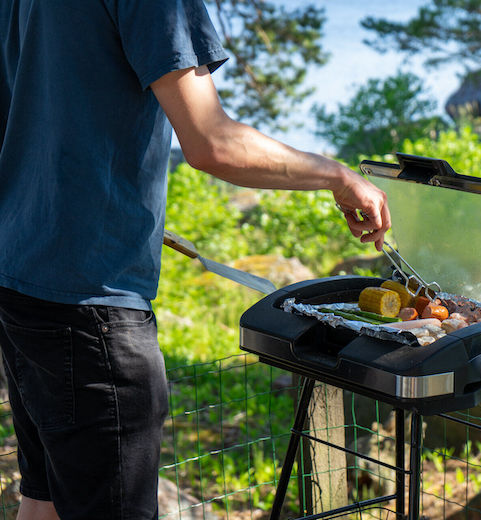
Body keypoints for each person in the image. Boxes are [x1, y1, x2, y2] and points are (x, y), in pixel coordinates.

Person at [0, 1, 390, 519]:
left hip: (20, 287)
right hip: (90, 308)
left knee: (43, 500)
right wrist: (339, 176)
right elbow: (213, 143)